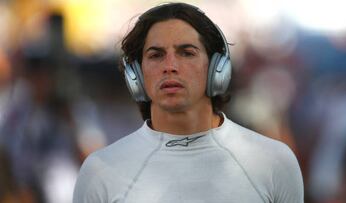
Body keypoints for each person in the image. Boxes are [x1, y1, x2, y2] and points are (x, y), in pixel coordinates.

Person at [73, 2, 304, 203]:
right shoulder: (100, 171)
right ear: (137, 75)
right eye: (156, 55)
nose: (170, 65)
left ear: (217, 68)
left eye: (187, 52)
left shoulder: (274, 162)